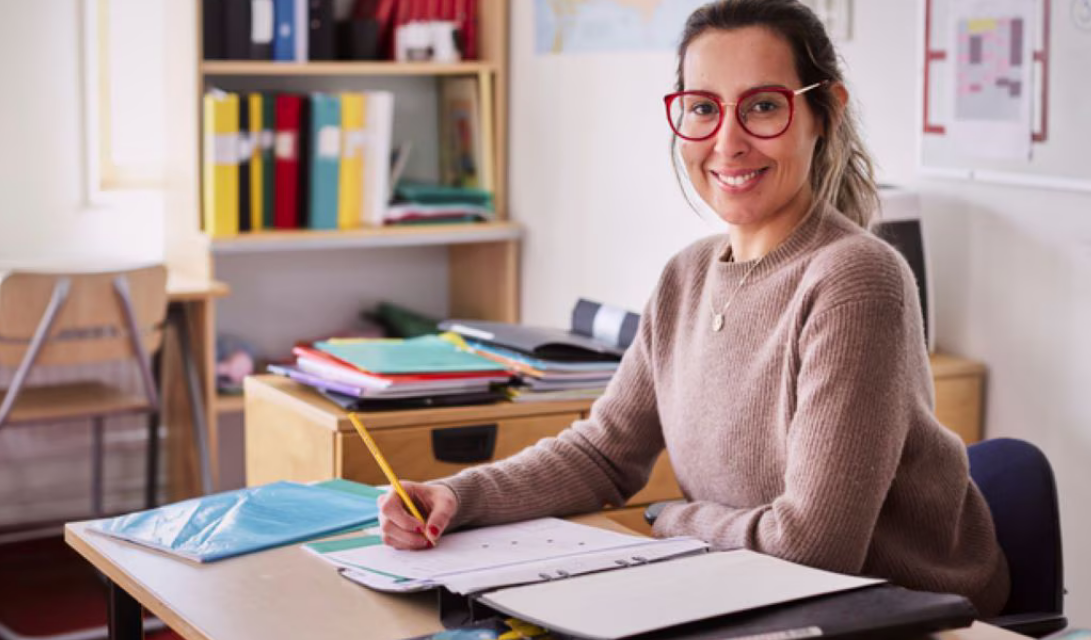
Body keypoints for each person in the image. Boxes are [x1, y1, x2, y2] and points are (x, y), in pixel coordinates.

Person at [379, 0, 1010, 616]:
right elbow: (603, 453)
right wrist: (458, 496)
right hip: (750, 596)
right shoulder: (685, 276)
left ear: (827, 113)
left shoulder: (856, 278)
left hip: (903, 613)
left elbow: (814, 549)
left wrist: (677, 520)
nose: (728, 143)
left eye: (764, 106)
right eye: (703, 108)